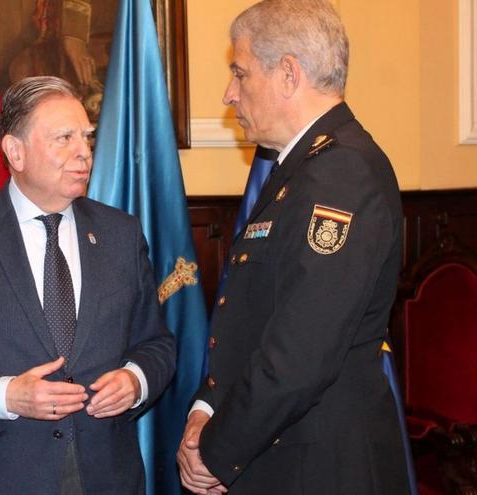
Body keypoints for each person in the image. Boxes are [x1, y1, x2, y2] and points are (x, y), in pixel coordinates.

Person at [176, 1, 409, 493]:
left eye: (240, 74)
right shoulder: (299, 168)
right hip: (280, 450)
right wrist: (206, 407)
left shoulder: (341, 175)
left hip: (320, 467)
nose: (229, 94)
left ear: (288, 74)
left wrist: (216, 451)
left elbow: (299, 355)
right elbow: (251, 319)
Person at [0, 76, 176, 495]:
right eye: (64, 138)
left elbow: (156, 343)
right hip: (2, 475)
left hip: (108, 474)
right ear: (15, 151)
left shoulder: (120, 233)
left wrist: (135, 380)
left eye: (86, 137)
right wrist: (6, 395)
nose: (84, 152)